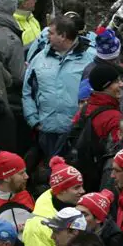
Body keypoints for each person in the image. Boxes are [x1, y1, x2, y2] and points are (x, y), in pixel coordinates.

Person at [23, 16, 95, 159]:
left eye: (51, 33)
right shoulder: (39, 58)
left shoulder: (89, 58)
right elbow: (27, 91)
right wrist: (34, 121)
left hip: (76, 133)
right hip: (47, 131)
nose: (46, 35)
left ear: (63, 36)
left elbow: (97, 93)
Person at [21, 157, 85, 246]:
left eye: (82, 186)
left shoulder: (79, 210)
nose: (83, 191)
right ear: (61, 191)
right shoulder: (38, 226)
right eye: (76, 187)